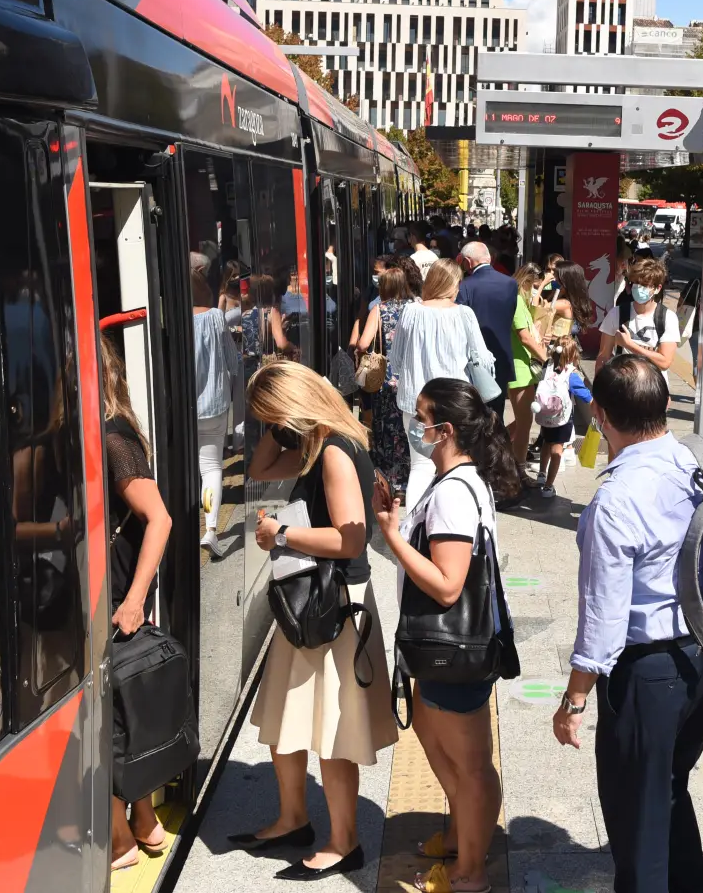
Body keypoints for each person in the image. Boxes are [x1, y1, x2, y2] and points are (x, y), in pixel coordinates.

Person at [551, 355, 703, 893]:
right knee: (668, 787)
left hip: (647, 673)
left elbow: (603, 619)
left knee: (636, 817)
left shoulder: (613, 502)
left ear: (601, 416)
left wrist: (574, 700)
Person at [236, 361, 396, 880]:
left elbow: (350, 538)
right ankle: (292, 818)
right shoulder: (317, 446)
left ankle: (344, 840)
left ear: (293, 409)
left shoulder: (332, 454)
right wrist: (276, 422)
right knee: (285, 722)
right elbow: (258, 469)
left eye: (271, 415)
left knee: (332, 730)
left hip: (333, 607)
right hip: (310, 601)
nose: (270, 428)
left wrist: (279, 534)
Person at [374, 378, 522, 893]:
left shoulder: (455, 494)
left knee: (473, 765)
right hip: (442, 651)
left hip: (454, 651)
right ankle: (461, 836)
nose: (416, 427)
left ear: (445, 430)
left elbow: (447, 585)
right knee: (439, 742)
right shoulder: (454, 481)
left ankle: (469, 873)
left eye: (422, 419)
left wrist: (393, 537)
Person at [100, 336, 177, 871]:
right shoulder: (119, 428)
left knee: (104, 716)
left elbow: (161, 517)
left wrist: (133, 600)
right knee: (122, 709)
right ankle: (144, 821)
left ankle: (119, 839)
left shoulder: (109, 435)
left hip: (114, 589)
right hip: (117, 584)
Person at [389, 260, 497, 507]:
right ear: (452, 284)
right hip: (455, 404)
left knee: (421, 466)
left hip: (416, 404)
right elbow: (483, 359)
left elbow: (395, 361)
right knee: (457, 464)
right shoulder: (464, 314)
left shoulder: (411, 312)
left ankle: (414, 531)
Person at [189, 252, 236, 558]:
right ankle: (210, 530)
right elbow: (232, 360)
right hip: (214, 408)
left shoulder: (178, 322)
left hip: (186, 408)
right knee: (211, 469)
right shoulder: (217, 318)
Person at [358, 262, 416, 499]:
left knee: (386, 431)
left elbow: (363, 344)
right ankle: (409, 480)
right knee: (409, 430)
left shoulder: (379, 310)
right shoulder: (417, 307)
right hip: (412, 377)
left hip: (387, 379)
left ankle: (390, 482)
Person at [457, 241, 520, 421]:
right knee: (496, 413)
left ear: (468, 262)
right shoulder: (510, 284)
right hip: (501, 356)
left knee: (474, 414)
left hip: (473, 360)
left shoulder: (465, 286)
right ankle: (496, 448)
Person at [596, 256, 683, 380]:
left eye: (645, 285)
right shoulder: (617, 313)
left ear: (657, 289)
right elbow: (603, 356)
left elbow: (665, 363)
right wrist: (598, 392)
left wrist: (630, 345)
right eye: (636, 283)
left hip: (653, 388)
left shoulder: (667, 318)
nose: (639, 288)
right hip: (622, 384)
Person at [531, 337, 588, 499]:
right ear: (573, 355)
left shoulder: (546, 366)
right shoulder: (571, 374)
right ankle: (548, 487)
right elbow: (584, 394)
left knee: (545, 444)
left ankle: (541, 474)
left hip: (545, 415)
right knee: (557, 450)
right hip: (562, 419)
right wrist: (594, 404)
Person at [506, 265, 550, 471]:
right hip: (518, 366)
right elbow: (524, 337)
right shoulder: (515, 301)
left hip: (523, 365)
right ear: (524, 281)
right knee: (524, 424)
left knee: (523, 421)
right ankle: (518, 468)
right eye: (532, 286)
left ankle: (494, 450)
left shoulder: (520, 300)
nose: (534, 290)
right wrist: (544, 356)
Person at [543, 262, 597, 343]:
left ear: (564, 281)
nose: (553, 279)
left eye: (556, 276)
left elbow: (538, 310)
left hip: (556, 346)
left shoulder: (564, 304)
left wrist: (543, 283)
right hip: (568, 344)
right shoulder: (574, 301)